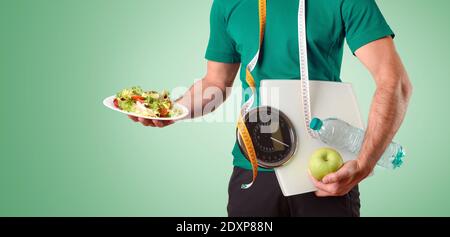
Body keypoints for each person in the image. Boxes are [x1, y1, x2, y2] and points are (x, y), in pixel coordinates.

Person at [128, 0, 413, 217]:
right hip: (252, 169)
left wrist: (363, 165)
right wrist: (172, 110)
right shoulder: (229, 4)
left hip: (324, 175)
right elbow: (216, 82)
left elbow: (394, 82)